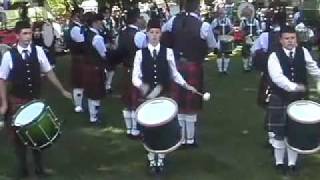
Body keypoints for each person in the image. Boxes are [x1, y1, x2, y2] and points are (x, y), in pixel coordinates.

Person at [0, 21, 72, 179]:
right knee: (18, 139)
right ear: (17, 35)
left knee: (37, 136)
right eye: (25, 33)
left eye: (30, 33)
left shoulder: (38, 51)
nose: (28, 36)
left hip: (34, 100)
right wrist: (4, 103)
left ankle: (40, 168)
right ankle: (23, 169)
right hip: (17, 100)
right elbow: (2, 80)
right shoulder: (8, 55)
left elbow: (49, 72)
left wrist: (62, 90)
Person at [132, 17, 196, 174]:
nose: (154, 35)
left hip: (164, 96)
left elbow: (174, 73)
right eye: (151, 32)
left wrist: (186, 84)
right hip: (147, 98)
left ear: (161, 34)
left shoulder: (167, 52)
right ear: (147, 34)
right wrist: (143, 86)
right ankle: (150, 159)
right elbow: (135, 77)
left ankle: (160, 160)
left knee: (162, 128)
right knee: (149, 129)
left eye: (157, 32)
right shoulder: (140, 54)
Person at [266, 25, 320, 175]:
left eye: (293, 38)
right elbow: (277, 78)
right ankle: (278, 162)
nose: (290, 41)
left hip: (298, 99)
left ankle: (291, 163)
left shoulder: (303, 52)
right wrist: (294, 87)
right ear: (281, 40)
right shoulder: (274, 56)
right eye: (287, 38)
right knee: (279, 131)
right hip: (280, 97)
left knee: (296, 130)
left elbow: (313, 69)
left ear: (296, 39)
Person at [162, 0, 217, 147]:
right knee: (191, 103)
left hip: (176, 65)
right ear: (198, 7)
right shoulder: (204, 26)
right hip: (193, 65)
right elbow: (212, 46)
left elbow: (164, 36)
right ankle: (190, 140)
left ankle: (181, 139)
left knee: (179, 103)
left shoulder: (172, 21)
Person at [117, 8, 145, 138]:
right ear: (136, 19)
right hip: (136, 70)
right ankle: (135, 130)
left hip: (125, 68)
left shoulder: (121, 33)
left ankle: (129, 129)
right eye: (140, 17)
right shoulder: (139, 35)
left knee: (127, 101)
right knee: (135, 101)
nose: (142, 20)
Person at [82, 13, 107, 123]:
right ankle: (94, 117)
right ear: (95, 23)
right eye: (100, 21)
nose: (102, 23)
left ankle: (93, 115)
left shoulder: (87, 33)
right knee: (96, 93)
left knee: (91, 92)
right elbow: (103, 54)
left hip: (88, 66)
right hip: (96, 67)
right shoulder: (97, 37)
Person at [67, 8, 86, 113]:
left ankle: (81, 103)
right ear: (75, 16)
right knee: (78, 82)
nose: (82, 17)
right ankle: (78, 106)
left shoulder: (79, 27)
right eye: (80, 15)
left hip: (81, 58)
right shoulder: (75, 29)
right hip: (78, 57)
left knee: (82, 81)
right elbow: (82, 42)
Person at [211, 7, 233, 74]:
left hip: (227, 39)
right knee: (219, 54)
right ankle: (220, 70)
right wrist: (216, 31)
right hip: (218, 39)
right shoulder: (215, 21)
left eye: (223, 13)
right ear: (218, 14)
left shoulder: (228, 20)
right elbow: (211, 29)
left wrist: (229, 33)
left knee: (227, 54)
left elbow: (232, 29)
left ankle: (225, 70)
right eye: (220, 13)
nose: (222, 15)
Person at [239, 6, 261, 72]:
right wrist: (244, 35)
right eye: (247, 14)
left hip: (254, 39)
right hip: (246, 38)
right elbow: (241, 30)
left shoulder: (256, 21)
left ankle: (251, 64)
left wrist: (257, 35)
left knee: (252, 52)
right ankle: (245, 66)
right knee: (245, 53)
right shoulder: (243, 22)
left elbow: (258, 29)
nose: (248, 15)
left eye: (250, 13)